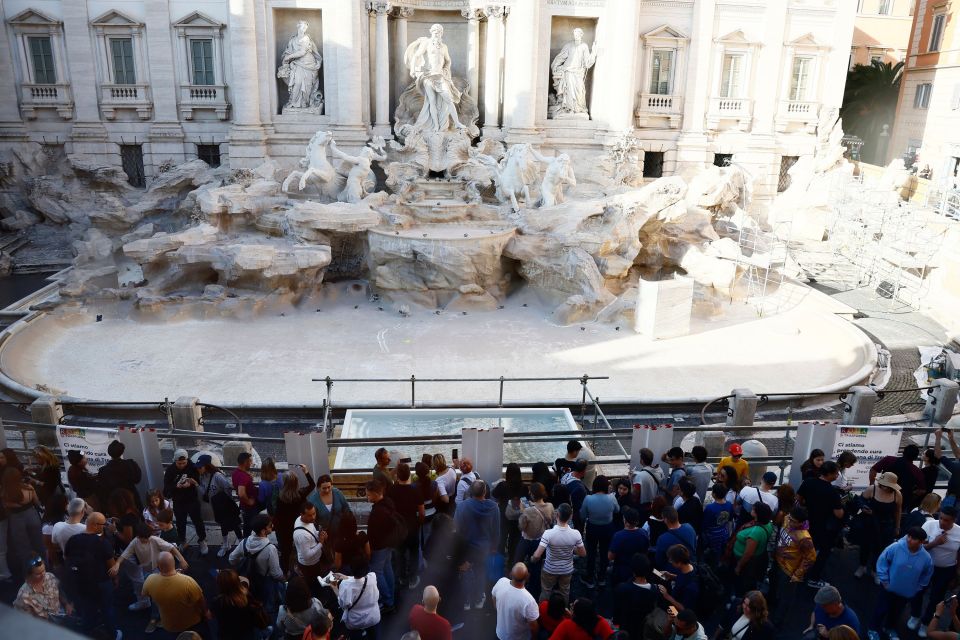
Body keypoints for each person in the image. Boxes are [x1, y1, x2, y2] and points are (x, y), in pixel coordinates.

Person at [112, 521, 189, 619]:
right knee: (155, 592)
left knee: (157, 594)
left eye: (147, 538)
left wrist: (182, 559)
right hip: (146, 570)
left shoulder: (155, 539)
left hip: (158, 569)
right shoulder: (135, 542)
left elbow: (172, 548)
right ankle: (157, 610)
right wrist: (117, 564)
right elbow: (125, 554)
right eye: (143, 538)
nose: (145, 540)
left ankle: (158, 614)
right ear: (138, 536)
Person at [869, 527, 933, 640]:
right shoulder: (896, 547)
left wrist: (916, 588)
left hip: (905, 593)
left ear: (922, 542)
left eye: (913, 538)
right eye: (909, 536)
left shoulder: (926, 558)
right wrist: (884, 580)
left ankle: (889, 628)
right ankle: (873, 629)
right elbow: (882, 562)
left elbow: (926, 575)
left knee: (897, 612)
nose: (909, 539)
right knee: (881, 609)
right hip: (888, 589)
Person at [64, 512, 120, 640]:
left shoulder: (73, 540)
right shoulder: (103, 543)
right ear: (95, 525)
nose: (104, 527)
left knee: (87, 609)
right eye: (103, 524)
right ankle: (113, 634)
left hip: (81, 582)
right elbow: (111, 566)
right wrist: (116, 579)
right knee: (107, 609)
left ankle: (87, 633)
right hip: (102, 583)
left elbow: (66, 558)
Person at [404, 23, 468, 132]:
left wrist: (446, 69)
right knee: (431, 101)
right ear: (431, 32)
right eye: (434, 31)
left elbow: (448, 60)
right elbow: (417, 55)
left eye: (439, 32)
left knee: (449, 99)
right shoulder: (427, 43)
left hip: (440, 76)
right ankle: (436, 126)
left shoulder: (444, 46)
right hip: (428, 76)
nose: (437, 33)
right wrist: (413, 69)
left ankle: (457, 123)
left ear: (441, 33)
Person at [909, 506, 960, 631]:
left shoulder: (959, 532)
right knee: (918, 591)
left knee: (936, 597)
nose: (942, 522)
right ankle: (915, 615)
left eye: (946, 520)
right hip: (925, 566)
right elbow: (917, 547)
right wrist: (935, 543)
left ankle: (926, 622)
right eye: (940, 518)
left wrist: (957, 574)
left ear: (954, 520)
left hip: (946, 569)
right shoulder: (929, 525)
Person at [454, 479, 500, 610]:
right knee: (481, 572)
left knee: (466, 573)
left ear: (470, 492)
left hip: (467, 547)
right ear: (485, 491)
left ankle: (467, 601)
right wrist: (494, 547)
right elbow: (496, 531)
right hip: (484, 549)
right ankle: (479, 598)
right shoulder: (494, 507)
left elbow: (456, 528)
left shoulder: (462, 506)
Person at [798, 461, 844, 588]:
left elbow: (799, 499)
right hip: (823, 528)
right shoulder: (832, 491)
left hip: (806, 523)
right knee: (823, 553)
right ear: (829, 474)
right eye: (835, 474)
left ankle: (798, 572)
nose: (837, 476)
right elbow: (839, 514)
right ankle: (814, 578)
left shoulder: (808, 482)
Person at [142, 551, 209, 638]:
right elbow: (200, 600)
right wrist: (205, 612)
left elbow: (145, 594)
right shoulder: (188, 581)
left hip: (169, 625)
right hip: (192, 623)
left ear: (158, 566)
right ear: (174, 564)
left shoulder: (150, 580)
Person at [230, 514, 285, 616]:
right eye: (270, 525)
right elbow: (276, 573)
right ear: (263, 531)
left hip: (248, 578)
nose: (272, 526)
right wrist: (284, 579)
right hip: (265, 581)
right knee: (269, 604)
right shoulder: (270, 549)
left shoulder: (244, 542)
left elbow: (232, 559)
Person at [770, 506, 816, 625]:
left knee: (786, 599)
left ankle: (777, 622)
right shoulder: (787, 518)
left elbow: (810, 558)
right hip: (777, 563)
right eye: (789, 518)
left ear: (801, 523)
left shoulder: (805, 538)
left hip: (789, 571)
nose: (789, 522)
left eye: (793, 521)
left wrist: (797, 574)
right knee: (774, 590)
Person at [532, 503, 585, 604]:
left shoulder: (548, 533)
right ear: (570, 516)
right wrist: (571, 547)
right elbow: (582, 553)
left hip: (550, 569)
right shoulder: (576, 534)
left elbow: (537, 555)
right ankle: (563, 613)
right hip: (567, 569)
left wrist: (532, 559)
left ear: (557, 515)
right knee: (565, 592)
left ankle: (543, 612)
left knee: (546, 591)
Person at [852, 471, 902, 579]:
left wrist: (897, 527)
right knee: (865, 546)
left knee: (881, 549)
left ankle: (876, 570)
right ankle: (862, 566)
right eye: (883, 484)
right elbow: (860, 500)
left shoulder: (897, 494)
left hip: (886, 525)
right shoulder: (872, 489)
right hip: (870, 523)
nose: (884, 487)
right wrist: (864, 507)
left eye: (887, 486)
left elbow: (897, 511)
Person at [197, 454, 243, 558]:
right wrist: (196, 484)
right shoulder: (202, 477)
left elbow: (227, 487)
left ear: (206, 466)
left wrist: (226, 500)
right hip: (216, 505)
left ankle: (241, 544)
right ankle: (226, 544)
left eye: (200, 467)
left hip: (225, 505)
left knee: (234, 524)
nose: (198, 469)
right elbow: (205, 493)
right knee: (223, 524)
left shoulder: (217, 476)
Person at [163, 449, 207, 554]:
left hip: (192, 498)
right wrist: (176, 486)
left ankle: (202, 540)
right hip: (178, 500)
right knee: (180, 522)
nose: (182, 465)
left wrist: (191, 483)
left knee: (198, 521)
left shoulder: (192, 466)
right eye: (179, 463)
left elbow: (198, 479)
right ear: (175, 461)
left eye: (184, 463)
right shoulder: (170, 470)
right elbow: (166, 488)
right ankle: (182, 541)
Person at [2, 466, 44, 578]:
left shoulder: (5, 493)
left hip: (15, 518)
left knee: (23, 547)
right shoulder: (29, 488)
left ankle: (29, 572)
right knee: (39, 543)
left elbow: (5, 506)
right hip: (32, 514)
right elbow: (37, 503)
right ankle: (44, 568)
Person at [366, 478, 399, 612]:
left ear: (375, 493)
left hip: (379, 546)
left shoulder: (377, 512)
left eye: (368, 494)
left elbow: (373, 534)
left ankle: (387, 600)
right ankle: (391, 594)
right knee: (387, 568)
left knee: (376, 572)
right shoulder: (389, 503)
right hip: (389, 543)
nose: (367, 497)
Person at [390, 462, 425, 589]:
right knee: (414, 554)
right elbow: (421, 512)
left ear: (397, 476)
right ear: (409, 475)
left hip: (398, 529)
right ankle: (413, 578)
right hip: (412, 527)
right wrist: (419, 523)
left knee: (400, 554)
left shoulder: (392, 490)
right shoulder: (415, 489)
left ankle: (401, 577)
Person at [580, 475, 618, 588]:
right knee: (604, 552)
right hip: (607, 528)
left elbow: (582, 515)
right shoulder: (611, 498)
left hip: (592, 528)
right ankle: (602, 578)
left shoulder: (588, 499)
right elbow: (617, 510)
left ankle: (590, 578)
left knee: (591, 553)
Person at [550, 28, 599, 117]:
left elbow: (587, 62)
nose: (576, 36)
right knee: (568, 91)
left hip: (578, 72)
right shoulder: (568, 45)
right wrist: (555, 65)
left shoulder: (584, 46)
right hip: (568, 70)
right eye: (575, 34)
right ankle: (569, 109)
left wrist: (594, 52)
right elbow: (561, 57)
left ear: (581, 35)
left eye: (578, 34)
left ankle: (578, 109)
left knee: (579, 91)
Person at [211, 568, 270, 640]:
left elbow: (211, 615)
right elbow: (244, 579)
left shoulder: (217, 602)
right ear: (237, 582)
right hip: (247, 633)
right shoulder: (246, 596)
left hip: (227, 635)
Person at [278, 20, 323, 111]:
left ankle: (304, 103)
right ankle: (294, 103)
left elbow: (302, 52)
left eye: (306, 27)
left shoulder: (306, 38)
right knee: (297, 83)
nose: (304, 29)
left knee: (307, 86)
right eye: (303, 27)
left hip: (308, 63)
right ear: (298, 27)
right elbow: (288, 51)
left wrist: (289, 57)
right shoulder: (293, 40)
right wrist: (286, 58)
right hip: (297, 63)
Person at [731, 502, 775, 595]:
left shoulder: (755, 532)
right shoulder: (768, 525)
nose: (751, 509)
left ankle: (739, 597)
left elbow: (748, 553)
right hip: (757, 558)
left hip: (745, 561)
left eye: (753, 509)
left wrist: (739, 566)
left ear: (757, 514)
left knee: (743, 582)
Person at [279, 467, 318, 570]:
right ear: (296, 483)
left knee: (286, 551)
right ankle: (301, 565)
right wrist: (306, 471)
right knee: (301, 547)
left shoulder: (280, 497)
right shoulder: (300, 494)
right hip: (299, 525)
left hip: (286, 527)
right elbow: (312, 485)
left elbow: (278, 514)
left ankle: (285, 571)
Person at [14, 555, 73, 621]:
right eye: (38, 574)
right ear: (28, 575)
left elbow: (59, 591)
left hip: (61, 618)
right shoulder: (23, 596)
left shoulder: (50, 577)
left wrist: (66, 604)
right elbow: (26, 622)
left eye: (43, 570)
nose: (43, 574)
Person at [869, 444, 926, 513]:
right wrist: (911, 494)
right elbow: (922, 490)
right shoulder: (916, 471)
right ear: (916, 457)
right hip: (900, 501)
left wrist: (872, 485)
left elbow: (873, 470)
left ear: (903, 452)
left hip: (880, 495)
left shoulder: (889, 460)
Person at [612, 554, 657, 640]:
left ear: (633, 571)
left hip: (626, 625)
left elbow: (617, 609)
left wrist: (616, 622)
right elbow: (669, 606)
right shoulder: (656, 590)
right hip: (646, 628)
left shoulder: (622, 588)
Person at [492, 563, 540, 640]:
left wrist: (501, 611)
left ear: (511, 574)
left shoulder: (501, 581)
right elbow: (534, 627)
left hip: (500, 635)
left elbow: (493, 597)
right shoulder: (529, 600)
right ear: (527, 577)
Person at [334, 562, 381, 640]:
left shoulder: (345, 585)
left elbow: (343, 605)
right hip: (373, 617)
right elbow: (360, 580)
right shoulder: (372, 576)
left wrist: (334, 587)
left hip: (355, 622)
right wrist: (345, 577)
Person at [494, 463, 528, 563]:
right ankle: (512, 562)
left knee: (502, 537)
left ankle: (500, 561)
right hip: (518, 517)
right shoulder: (524, 487)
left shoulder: (502, 485)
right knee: (515, 539)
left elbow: (494, 494)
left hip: (504, 515)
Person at [292, 502, 331, 590]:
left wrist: (320, 534)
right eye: (309, 515)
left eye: (314, 513)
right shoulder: (302, 535)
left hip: (314, 561)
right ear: (301, 514)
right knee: (313, 583)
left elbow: (312, 533)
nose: (313, 517)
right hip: (310, 565)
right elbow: (306, 556)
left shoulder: (301, 520)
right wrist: (321, 542)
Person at [607, 507, 650, 587]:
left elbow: (610, 556)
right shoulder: (643, 533)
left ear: (625, 520)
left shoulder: (619, 536)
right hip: (639, 569)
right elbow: (646, 551)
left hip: (622, 570)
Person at [97, 440, 143, 510]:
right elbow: (137, 479)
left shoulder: (103, 470)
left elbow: (102, 489)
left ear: (109, 453)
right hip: (132, 498)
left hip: (114, 502)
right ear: (122, 452)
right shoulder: (131, 464)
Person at [658, 544, 699, 612]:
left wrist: (667, 596)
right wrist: (671, 575)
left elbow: (685, 609)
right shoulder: (689, 566)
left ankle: (673, 621)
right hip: (676, 596)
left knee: (664, 605)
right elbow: (683, 578)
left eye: (671, 561)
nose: (669, 562)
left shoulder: (691, 587)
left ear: (679, 563)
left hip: (677, 609)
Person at [653, 505, 696, 570]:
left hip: (674, 571)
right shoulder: (690, 527)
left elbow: (659, 561)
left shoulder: (662, 539)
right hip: (692, 566)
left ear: (666, 520)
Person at [702, 484, 735, 562]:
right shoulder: (729, 505)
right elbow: (730, 520)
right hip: (724, 533)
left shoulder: (710, 508)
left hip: (712, 535)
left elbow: (705, 524)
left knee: (713, 554)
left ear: (714, 494)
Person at [233, 452, 260, 538]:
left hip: (244, 506)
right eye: (250, 461)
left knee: (247, 526)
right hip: (249, 507)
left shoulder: (235, 473)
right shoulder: (244, 477)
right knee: (250, 526)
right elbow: (241, 493)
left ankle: (245, 544)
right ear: (245, 462)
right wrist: (249, 502)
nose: (251, 463)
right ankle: (248, 545)